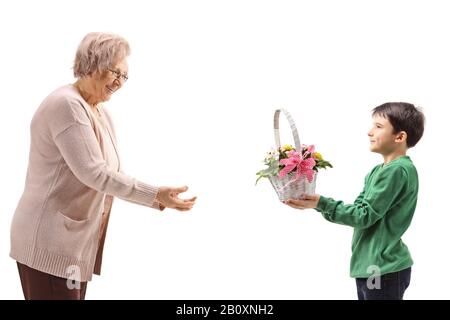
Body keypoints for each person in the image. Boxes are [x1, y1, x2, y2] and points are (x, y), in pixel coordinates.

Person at [10, 32, 196, 300]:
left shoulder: (98, 111)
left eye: (125, 76)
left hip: (73, 245)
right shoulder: (67, 105)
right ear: (94, 64)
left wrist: (158, 198)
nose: (120, 82)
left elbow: (113, 173)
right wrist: (154, 194)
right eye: (115, 72)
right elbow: (96, 174)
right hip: (48, 241)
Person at [284, 102, 425, 300]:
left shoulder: (397, 171)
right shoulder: (377, 171)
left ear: (400, 137)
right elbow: (359, 210)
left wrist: (321, 203)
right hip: (371, 266)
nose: (370, 132)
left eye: (378, 126)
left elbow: (363, 216)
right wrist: (318, 204)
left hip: (380, 268)